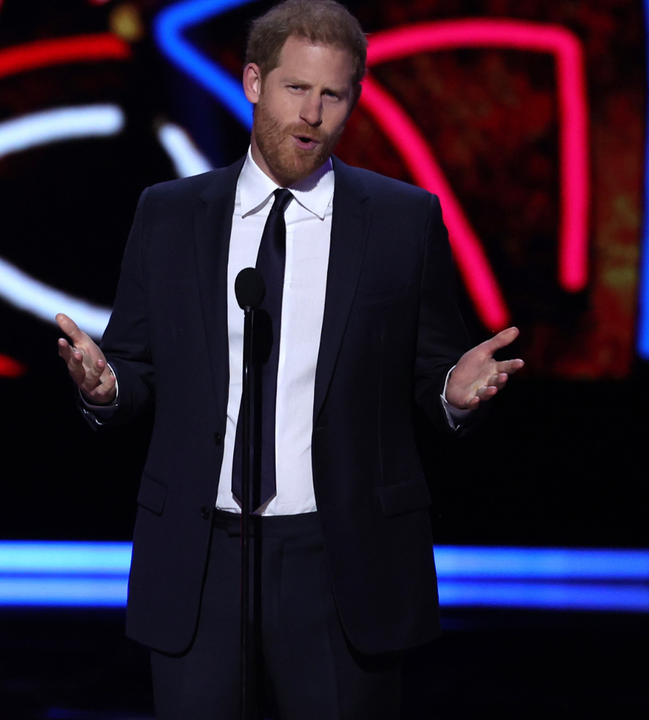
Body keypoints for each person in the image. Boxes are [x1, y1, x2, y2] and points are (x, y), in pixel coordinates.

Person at [55, 1, 523, 717]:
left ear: (353, 101)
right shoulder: (170, 214)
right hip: (200, 558)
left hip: (342, 564)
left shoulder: (402, 221)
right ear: (252, 83)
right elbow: (134, 366)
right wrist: (105, 386)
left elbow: (435, 368)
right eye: (295, 89)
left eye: (333, 95)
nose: (313, 114)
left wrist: (451, 396)